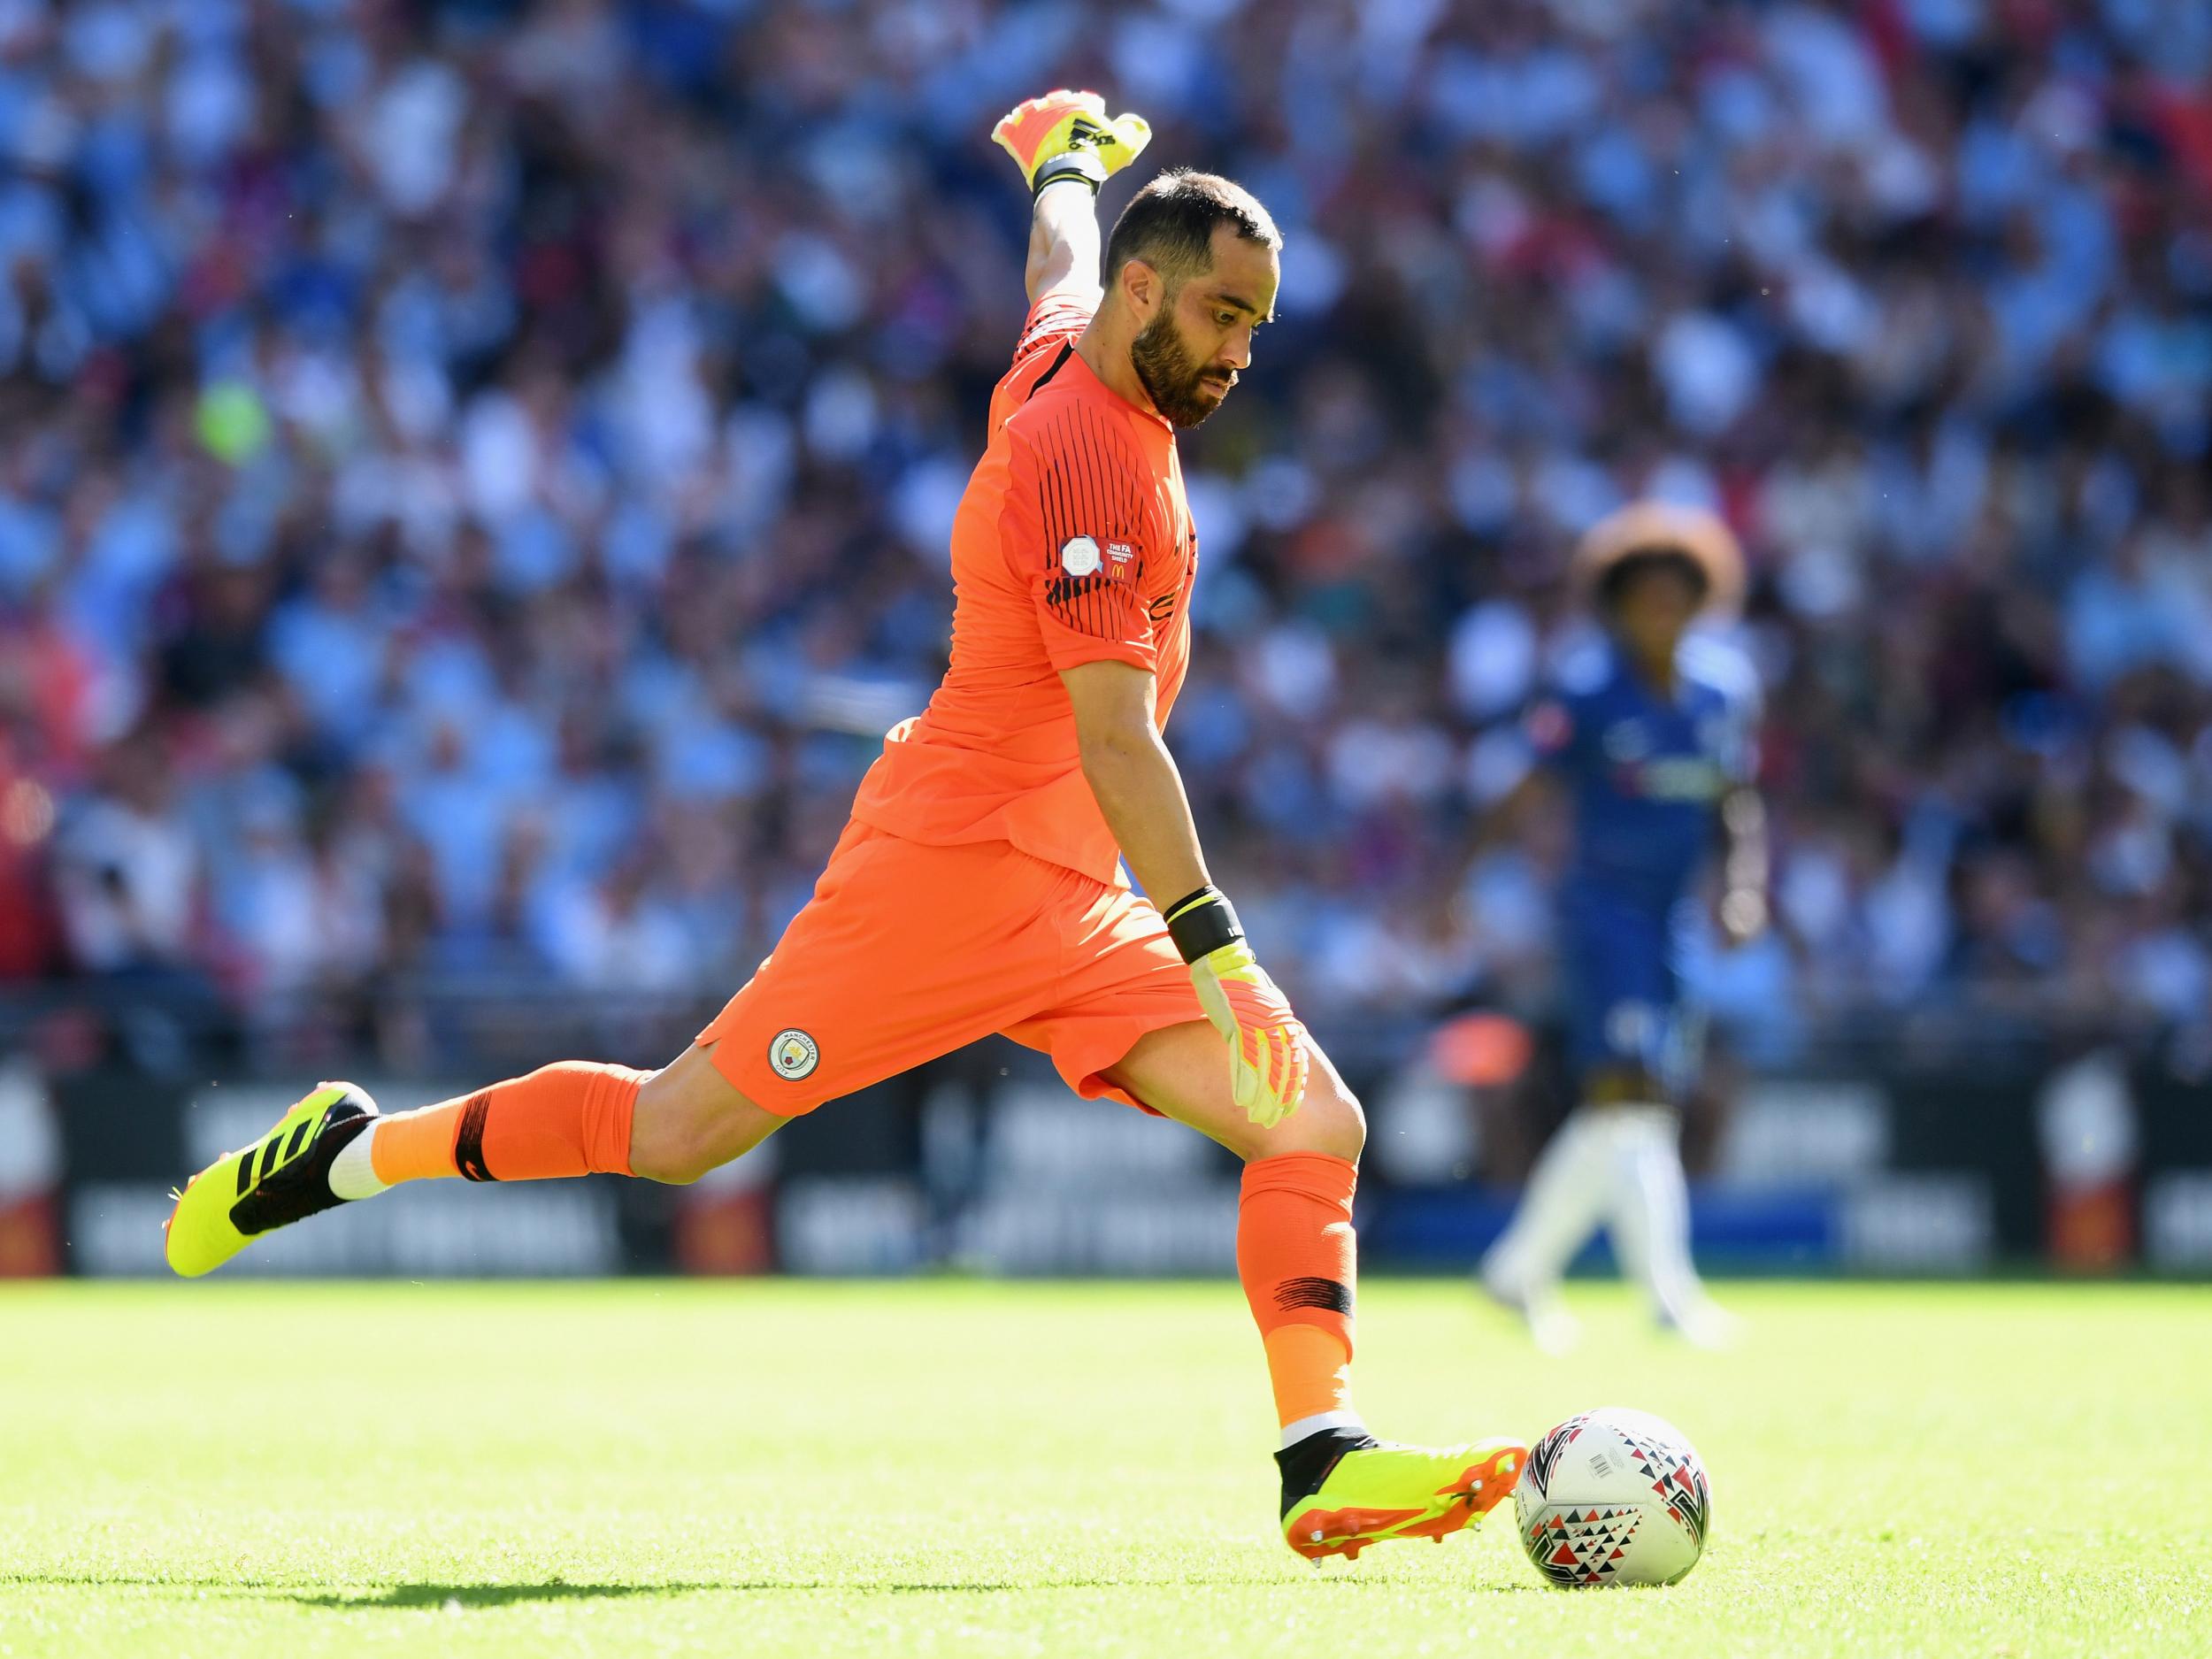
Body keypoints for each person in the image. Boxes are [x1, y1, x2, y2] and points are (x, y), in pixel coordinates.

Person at [165, 90, 1523, 1563]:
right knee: (679, 1132)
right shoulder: (1089, 457)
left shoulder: (1086, 347)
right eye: (1224, 314)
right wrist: (1223, 956)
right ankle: (348, 1151)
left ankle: (1320, 1459)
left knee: (1314, 1118)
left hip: (1062, 888)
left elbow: (1057, 265)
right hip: (947, 872)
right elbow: (1115, 736)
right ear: (1153, 293)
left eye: (1258, 322)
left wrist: (1061, 163)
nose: (1244, 351)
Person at [1478, 503, 1766, 1353]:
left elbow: (1736, 802)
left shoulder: (1724, 688)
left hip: (1673, 917)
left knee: (1637, 1106)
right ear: (1616, 603)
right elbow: (1528, 790)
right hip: (1604, 914)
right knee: (1629, 1092)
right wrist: (1459, 876)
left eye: (1676, 596)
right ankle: (1668, 1295)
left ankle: (1518, 1268)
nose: (1660, 612)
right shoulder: (1587, 690)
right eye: (1644, 597)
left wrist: (1744, 886)